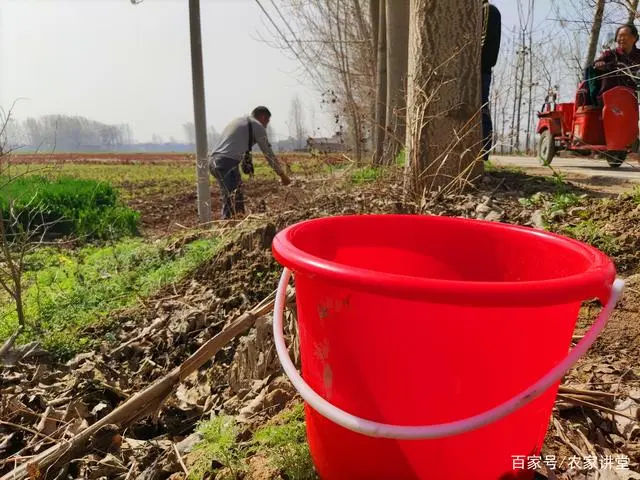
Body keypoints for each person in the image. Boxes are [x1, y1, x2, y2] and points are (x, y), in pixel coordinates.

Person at [209, 106, 291, 220]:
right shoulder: (257, 126)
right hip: (226, 162)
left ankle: (238, 223)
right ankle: (229, 228)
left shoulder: (238, 121)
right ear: (262, 117)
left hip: (214, 161)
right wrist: (282, 175)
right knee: (232, 199)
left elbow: (234, 143)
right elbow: (268, 153)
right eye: (266, 122)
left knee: (236, 196)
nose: (266, 126)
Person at [589, 23, 640, 102]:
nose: (622, 38)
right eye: (619, 36)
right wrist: (598, 64)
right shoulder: (610, 54)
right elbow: (596, 64)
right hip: (612, 97)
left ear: (634, 38)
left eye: (625, 35)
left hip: (635, 94)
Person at [481, 0, 501, 162]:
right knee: (481, 108)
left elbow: (485, 43)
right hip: (483, 69)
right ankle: (483, 151)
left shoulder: (488, 12)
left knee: (481, 109)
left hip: (480, 70)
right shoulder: (489, 11)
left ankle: (483, 152)